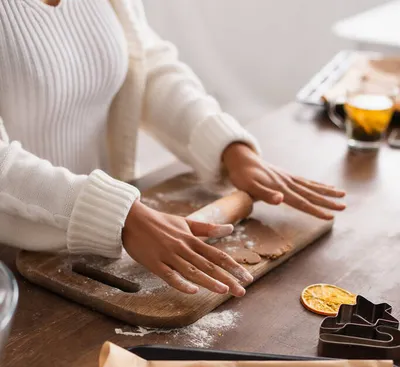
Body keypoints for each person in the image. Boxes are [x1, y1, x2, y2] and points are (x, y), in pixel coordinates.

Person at [0, 0, 346, 298]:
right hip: (12, 264)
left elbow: (146, 68)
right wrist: (115, 214)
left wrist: (228, 146)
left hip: (108, 241)